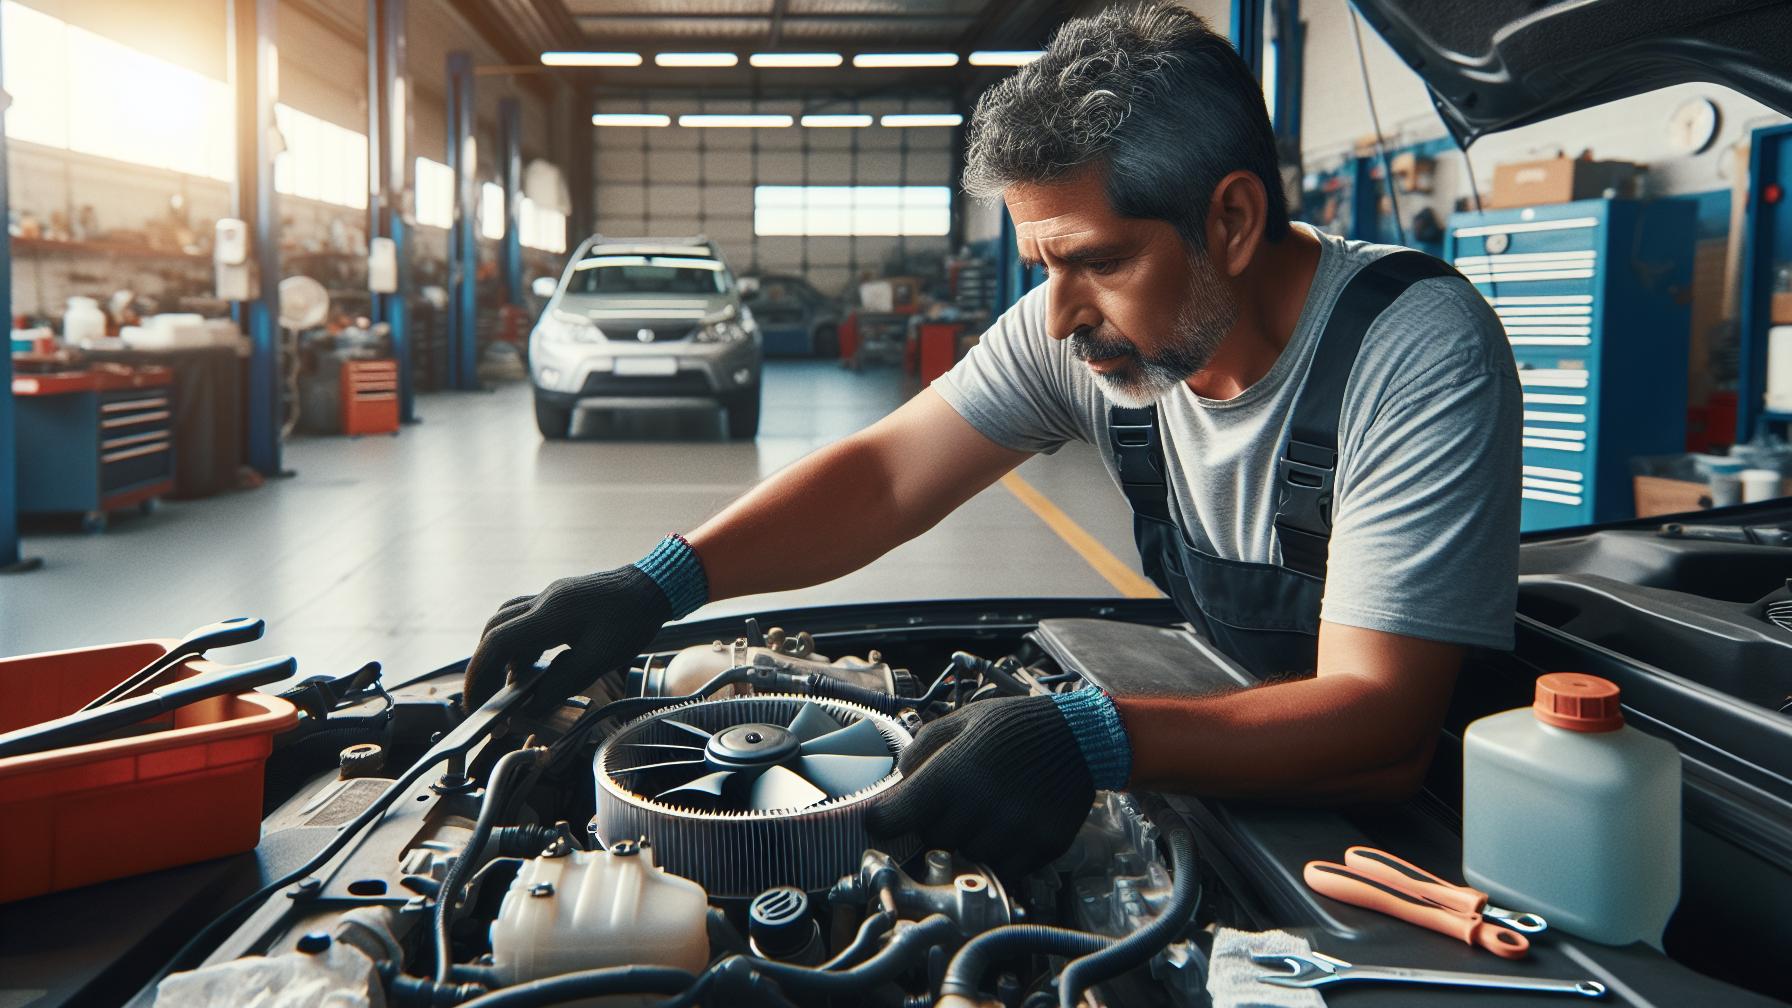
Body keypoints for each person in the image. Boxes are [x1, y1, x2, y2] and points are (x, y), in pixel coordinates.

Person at [464, 1, 1519, 874]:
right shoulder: (1086, 324)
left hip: (1414, 845)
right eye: (1042, 265)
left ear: (1233, 222)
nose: (1058, 315)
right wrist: (659, 584)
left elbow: (1382, 729)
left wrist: (1096, 735)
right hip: (1229, 751)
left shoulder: (1410, 349)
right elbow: (885, 476)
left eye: (1095, 261)